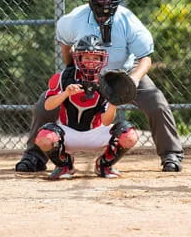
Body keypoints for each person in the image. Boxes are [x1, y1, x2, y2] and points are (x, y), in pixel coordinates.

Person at [16, 0, 184, 173]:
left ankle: (171, 154)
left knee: (157, 104)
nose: (104, 0)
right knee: (44, 106)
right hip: (84, 71)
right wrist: (71, 70)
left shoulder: (128, 20)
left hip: (121, 73)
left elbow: (145, 58)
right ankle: (34, 157)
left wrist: (133, 79)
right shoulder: (74, 19)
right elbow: (65, 44)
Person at [34, 35, 138, 179]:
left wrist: (113, 104)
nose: (91, 62)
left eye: (96, 58)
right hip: (68, 132)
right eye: (87, 57)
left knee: (129, 136)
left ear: (102, 60)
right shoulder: (64, 77)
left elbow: (106, 122)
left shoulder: (106, 82)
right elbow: (48, 105)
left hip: (95, 132)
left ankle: (104, 164)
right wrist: (65, 94)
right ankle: (65, 164)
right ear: (78, 58)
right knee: (44, 137)